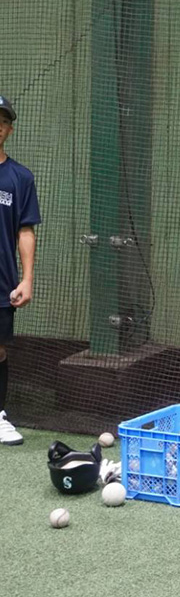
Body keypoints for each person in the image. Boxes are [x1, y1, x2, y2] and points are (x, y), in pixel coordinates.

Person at [0, 95, 41, 447]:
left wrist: (26, 278)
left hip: (1, 281)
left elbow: (25, 230)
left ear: (9, 130)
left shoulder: (20, 178)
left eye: (2, 120)